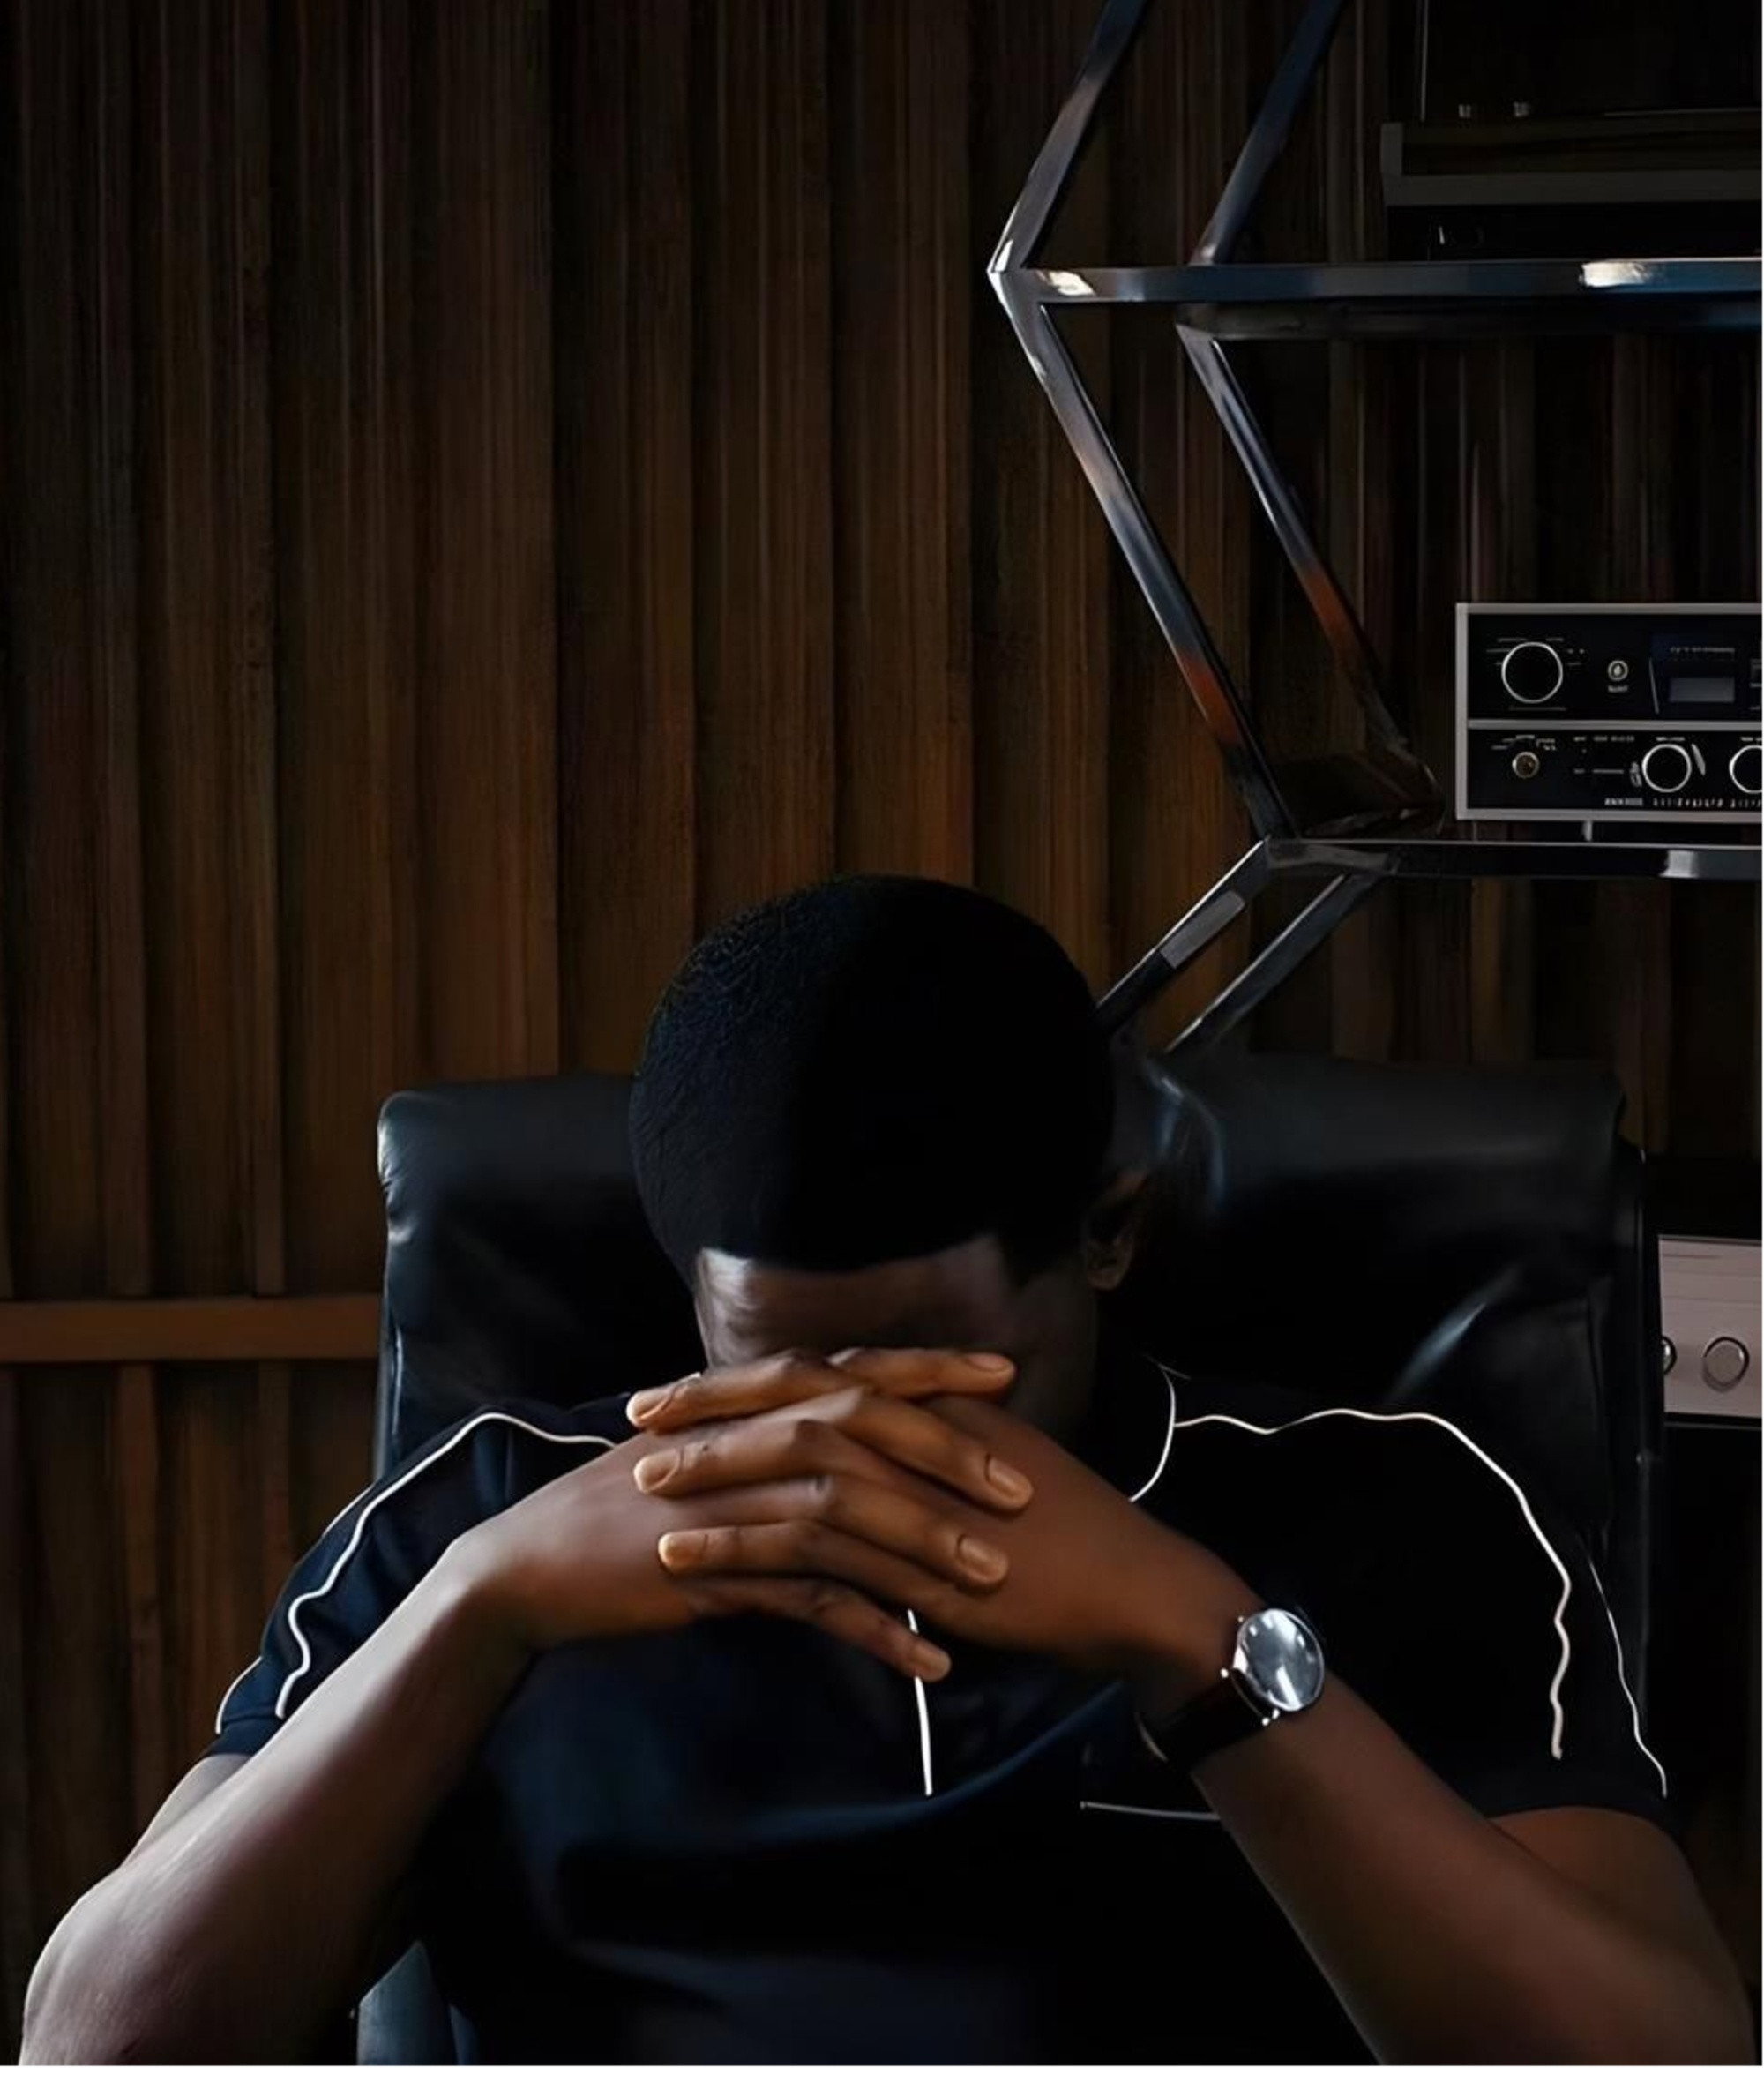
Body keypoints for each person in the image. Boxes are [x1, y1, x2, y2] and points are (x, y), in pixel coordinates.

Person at [22, 875, 1752, 2064]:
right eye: (776, 1365)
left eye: (936, 1368)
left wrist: (1195, 1641)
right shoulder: (472, 1526)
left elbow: (1656, 2059)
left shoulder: (1394, 1508)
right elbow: (97, 2048)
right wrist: (478, 1616)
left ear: (1106, 1241)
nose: (847, 1439)